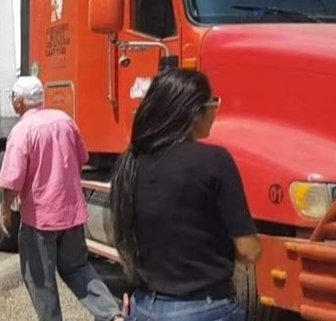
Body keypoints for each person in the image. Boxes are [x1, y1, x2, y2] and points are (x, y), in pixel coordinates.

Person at [109, 68, 262, 320]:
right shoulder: (215, 160)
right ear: (194, 112)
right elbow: (249, 251)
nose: (215, 111)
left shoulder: (131, 162)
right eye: (212, 103)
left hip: (145, 306)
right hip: (206, 307)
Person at [0, 75, 124, 321]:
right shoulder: (65, 120)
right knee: (78, 267)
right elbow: (81, 158)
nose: (13, 101)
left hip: (39, 220)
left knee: (40, 279)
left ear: (21, 102)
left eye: (13, 97)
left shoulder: (22, 131)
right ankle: (112, 315)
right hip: (72, 213)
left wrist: (5, 211)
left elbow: (12, 179)